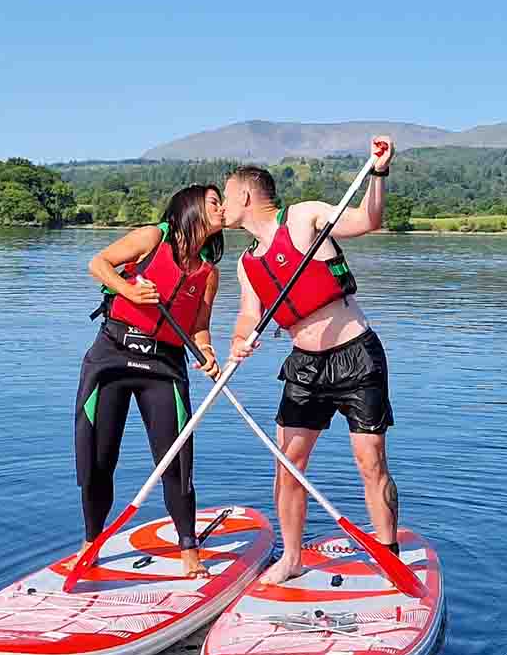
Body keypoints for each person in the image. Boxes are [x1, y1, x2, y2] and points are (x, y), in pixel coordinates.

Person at [223, 137, 400, 583]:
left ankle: (388, 552)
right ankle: (292, 557)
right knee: (288, 464)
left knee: (370, 460)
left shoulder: (303, 217)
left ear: (245, 196)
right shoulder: (247, 264)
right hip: (304, 366)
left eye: (225, 197)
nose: (220, 206)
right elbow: (248, 317)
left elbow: (369, 220)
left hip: (356, 356)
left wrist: (378, 172)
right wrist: (239, 342)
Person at [72, 184, 225, 577]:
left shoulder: (208, 273)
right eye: (214, 202)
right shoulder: (151, 238)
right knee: (96, 457)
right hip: (113, 356)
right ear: (190, 208)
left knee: (176, 460)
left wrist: (207, 353)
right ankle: (91, 542)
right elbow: (99, 263)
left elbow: (199, 328)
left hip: (164, 366)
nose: (222, 208)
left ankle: (189, 549)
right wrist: (129, 290)